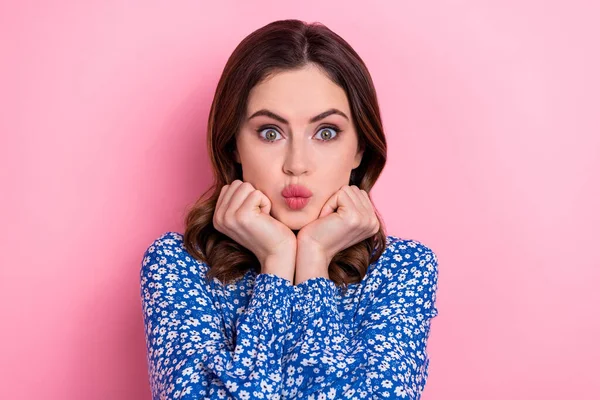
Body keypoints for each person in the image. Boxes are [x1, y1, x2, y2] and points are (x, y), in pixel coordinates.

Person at [139, 19, 439, 400]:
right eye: (270, 132)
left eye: (326, 132)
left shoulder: (403, 270)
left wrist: (312, 262)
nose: (296, 163)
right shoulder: (177, 266)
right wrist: (277, 263)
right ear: (233, 145)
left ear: (360, 149)